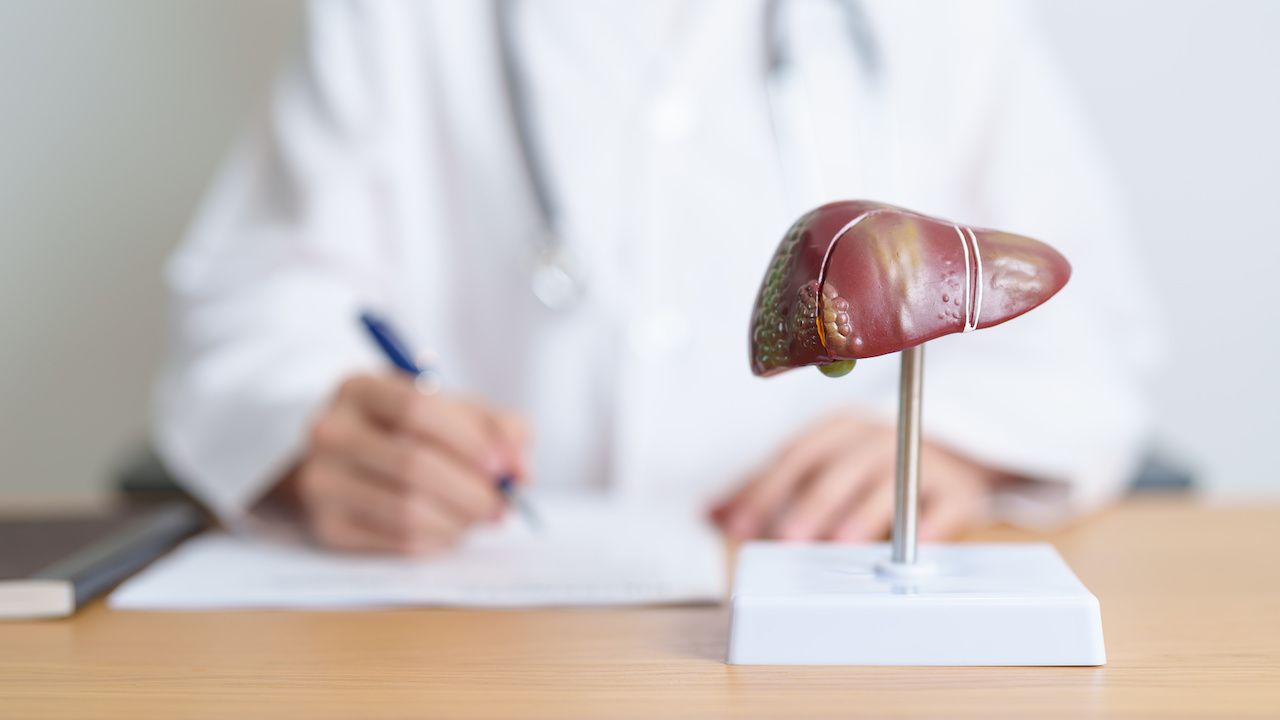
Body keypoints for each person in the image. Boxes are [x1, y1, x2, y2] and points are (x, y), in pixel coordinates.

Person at [154, 0, 1158, 554]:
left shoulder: (942, 22)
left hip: (835, 626)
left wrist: (954, 445)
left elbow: (1088, 339)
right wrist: (323, 426)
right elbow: (252, 306)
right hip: (484, 629)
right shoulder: (393, 21)